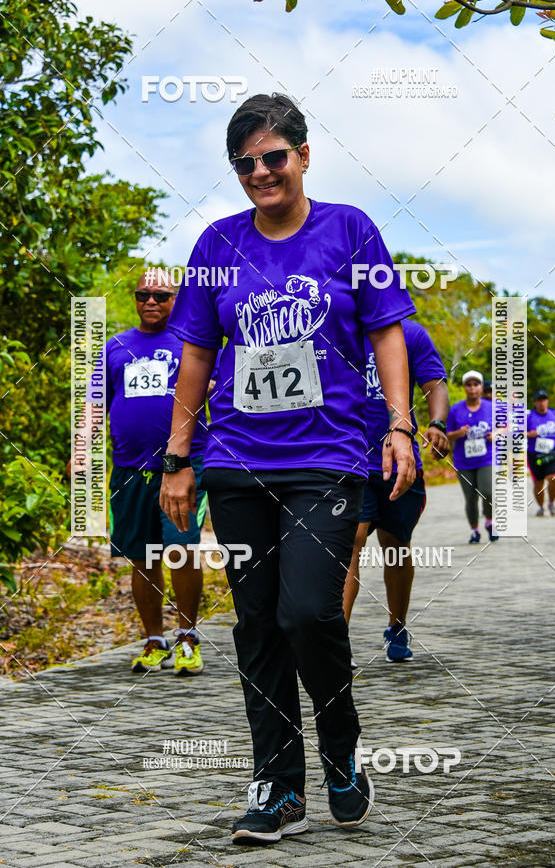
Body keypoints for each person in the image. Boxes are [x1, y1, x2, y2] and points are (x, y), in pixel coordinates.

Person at [160, 93, 417, 845]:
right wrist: (179, 456)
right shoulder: (216, 244)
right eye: (245, 163)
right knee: (257, 626)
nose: (261, 172)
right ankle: (278, 787)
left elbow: (386, 331)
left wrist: (399, 424)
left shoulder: (349, 229)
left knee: (308, 611)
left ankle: (340, 747)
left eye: (274, 156)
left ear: (303, 156)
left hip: (326, 459)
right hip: (237, 463)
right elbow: (198, 356)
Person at [106, 273, 207, 674]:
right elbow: (98, 400)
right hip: (130, 467)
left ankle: (187, 638)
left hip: (181, 465)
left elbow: (216, 395)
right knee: (141, 556)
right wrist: (82, 447)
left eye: (161, 295)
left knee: (182, 551)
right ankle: (153, 640)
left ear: (175, 299)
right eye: (143, 295)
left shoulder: (193, 344)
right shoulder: (116, 347)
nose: (151, 301)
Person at [342, 319, 449, 664]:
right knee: (350, 542)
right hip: (346, 459)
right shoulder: (334, 322)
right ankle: (336, 640)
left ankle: (397, 625)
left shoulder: (411, 333)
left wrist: (437, 424)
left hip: (398, 462)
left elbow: (435, 385)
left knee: (395, 548)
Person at [447, 370, 498, 543]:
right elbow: (446, 435)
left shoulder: (491, 407)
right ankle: (474, 530)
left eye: (476, 384)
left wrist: (496, 435)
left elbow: (505, 427)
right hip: (463, 461)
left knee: (488, 492)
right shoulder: (455, 410)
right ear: (464, 387)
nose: (472, 388)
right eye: (469, 385)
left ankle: (490, 522)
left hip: (486, 458)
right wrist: (458, 433)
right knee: (470, 498)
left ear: (482, 387)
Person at [526, 390, 555, 516]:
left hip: (551, 453)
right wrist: (528, 434)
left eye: (544, 400)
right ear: (535, 402)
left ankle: (551, 503)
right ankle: (541, 507)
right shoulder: (529, 417)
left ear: (547, 401)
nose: (542, 403)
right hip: (534, 455)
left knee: (552, 478)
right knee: (538, 483)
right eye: (539, 400)